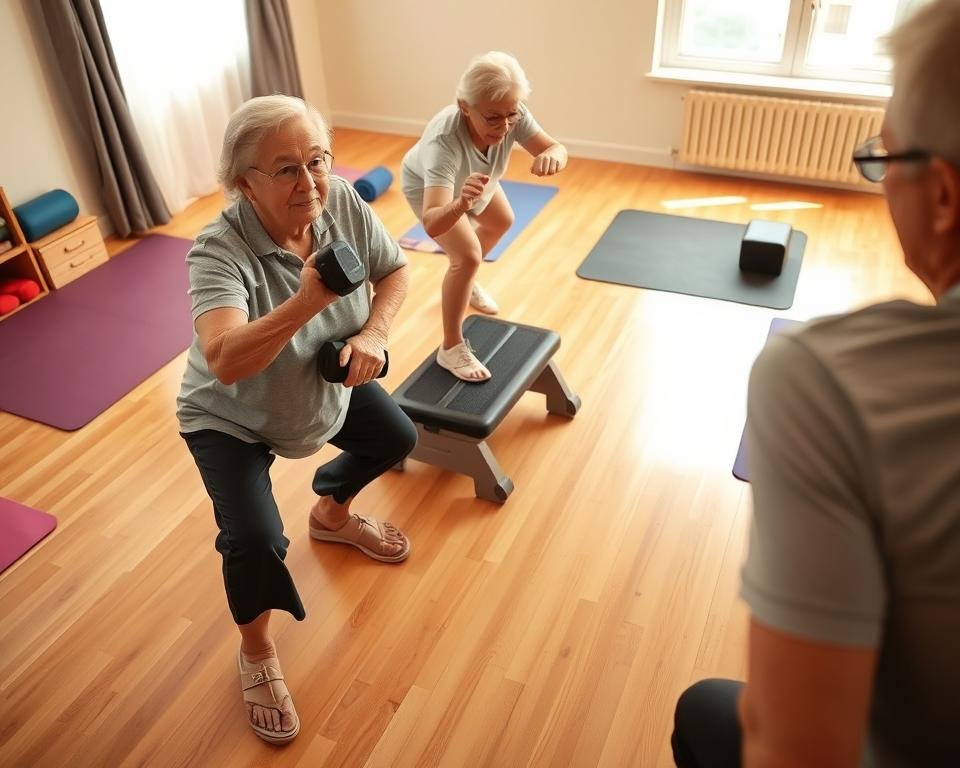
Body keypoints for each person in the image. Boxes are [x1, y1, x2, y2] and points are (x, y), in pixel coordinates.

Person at [672, 1, 960, 765]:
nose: (880, 183)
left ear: (942, 196)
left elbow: (796, 749)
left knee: (707, 710)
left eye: (884, 160)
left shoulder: (827, 382)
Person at [177, 95, 418, 744]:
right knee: (255, 540)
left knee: (396, 437)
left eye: (317, 160)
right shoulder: (216, 253)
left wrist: (372, 333)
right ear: (243, 182)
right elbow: (225, 359)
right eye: (285, 169)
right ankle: (255, 652)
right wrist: (309, 301)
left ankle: (332, 514)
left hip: (319, 377)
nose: (310, 183)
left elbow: (395, 270)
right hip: (233, 414)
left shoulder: (339, 201)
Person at [401, 51, 568, 381]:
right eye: (493, 118)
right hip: (431, 188)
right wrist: (462, 203)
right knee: (467, 257)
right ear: (465, 106)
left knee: (500, 222)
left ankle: (465, 283)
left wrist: (552, 157)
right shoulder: (443, 142)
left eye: (512, 114)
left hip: (477, 177)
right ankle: (450, 348)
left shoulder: (509, 112)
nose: (505, 126)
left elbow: (555, 147)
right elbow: (433, 221)